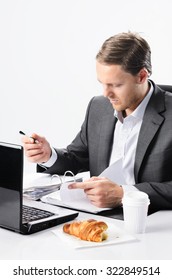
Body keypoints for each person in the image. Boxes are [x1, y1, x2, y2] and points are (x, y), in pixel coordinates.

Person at [22, 31, 172, 215]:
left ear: (142, 76)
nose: (106, 94)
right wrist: (48, 155)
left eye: (116, 85)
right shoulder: (98, 107)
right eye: (102, 83)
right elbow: (77, 158)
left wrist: (124, 194)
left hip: (151, 221)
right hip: (97, 216)